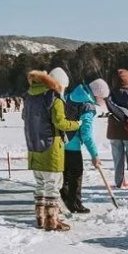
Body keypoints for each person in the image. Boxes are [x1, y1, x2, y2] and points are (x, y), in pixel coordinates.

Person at [23, 68, 81, 231]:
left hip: (34, 147)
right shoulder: (53, 98)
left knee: (40, 184)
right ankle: (52, 221)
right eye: (63, 87)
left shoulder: (30, 96)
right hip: (50, 148)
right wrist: (77, 124)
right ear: (58, 84)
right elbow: (60, 123)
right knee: (53, 185)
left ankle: (40, 218)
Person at [60, 82, 102, 214]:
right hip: (73, 144)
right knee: (76, 174)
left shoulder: (69, 96)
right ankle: (74, 204)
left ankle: (64, 201)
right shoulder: (87, 106)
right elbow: (86, 134)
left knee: (64, 175)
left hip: (60, 142)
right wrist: (94, 154)